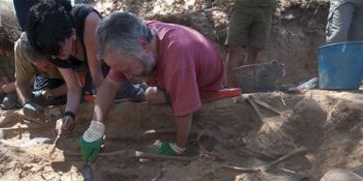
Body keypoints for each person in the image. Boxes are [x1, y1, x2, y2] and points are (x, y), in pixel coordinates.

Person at [79, 11, 225, 159]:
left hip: (205, 88)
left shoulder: (177, 58)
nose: (127, 76)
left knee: (161, 98)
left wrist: (179, 146)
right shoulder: (136, 39)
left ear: (144, 44)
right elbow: (109, 85)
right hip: (174, 79)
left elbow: (184, 112)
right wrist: (95, 127)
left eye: (128, 68)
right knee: (150, 96)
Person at [25, 0, 145, 135]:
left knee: (125, 94)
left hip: (115, 55)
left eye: (59, 51)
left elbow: (97, 75)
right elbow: (73, 87)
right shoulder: (54, 49)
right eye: (52, 54)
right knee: (97, 95)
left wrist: (100, 118)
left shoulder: (89, 20)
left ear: (73, 33)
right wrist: (69, 114)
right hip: (93, 69)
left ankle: (141, 91)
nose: (56, 57)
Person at [14, 32, 67, 117]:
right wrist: (26, 102)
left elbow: (78, 82)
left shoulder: (60, 40)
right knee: (37, 100)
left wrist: (51, 93)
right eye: (38, 64)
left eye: (47, 64)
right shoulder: (20, 48)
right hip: (48, 77)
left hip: (73, 73)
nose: (44, 66)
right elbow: (21, 82)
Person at [225, 0, 276, 87]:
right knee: (234, 48)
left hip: (266, 8)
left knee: (254, 51)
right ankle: (231, 90)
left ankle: (246, 89)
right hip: (243, 6)